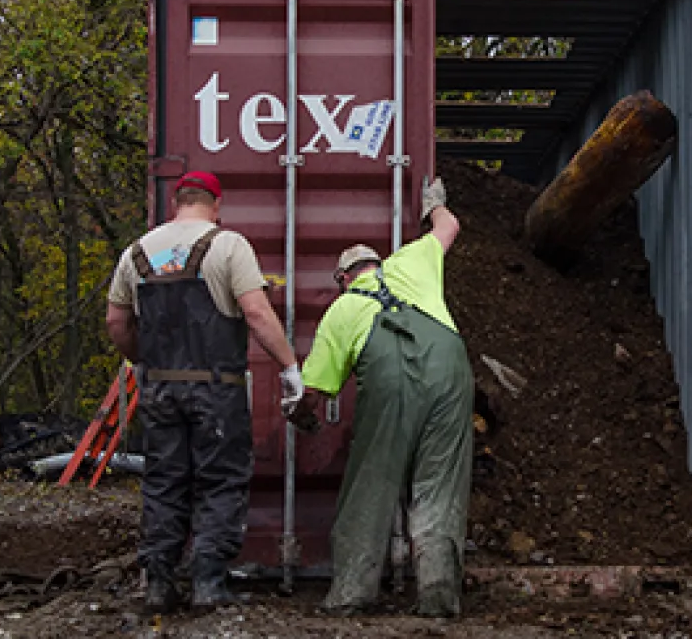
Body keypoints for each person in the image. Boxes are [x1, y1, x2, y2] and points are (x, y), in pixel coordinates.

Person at [105, 171, 306, 612]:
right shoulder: (228, 245)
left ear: (176, 203)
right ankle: (208, 583)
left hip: (159, 391)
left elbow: (116, 323)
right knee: (219, 481)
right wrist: (289, 366)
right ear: (216, 204)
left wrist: (145, 360)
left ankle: (158, 584)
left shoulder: (136, 252)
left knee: (163, 482)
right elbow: (255, 312)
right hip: (216, 392)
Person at [281, 176, 473, 618]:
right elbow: (449, 228)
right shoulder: (413, 259)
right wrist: (434, 204)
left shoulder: (342, 309)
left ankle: (351, 594)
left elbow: (314, 392)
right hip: (450, 368)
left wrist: (300, 415)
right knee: (438, 487)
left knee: (371, 484)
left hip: (389, 383)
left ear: (345, 277)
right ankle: (439, 598)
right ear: (377, 262)